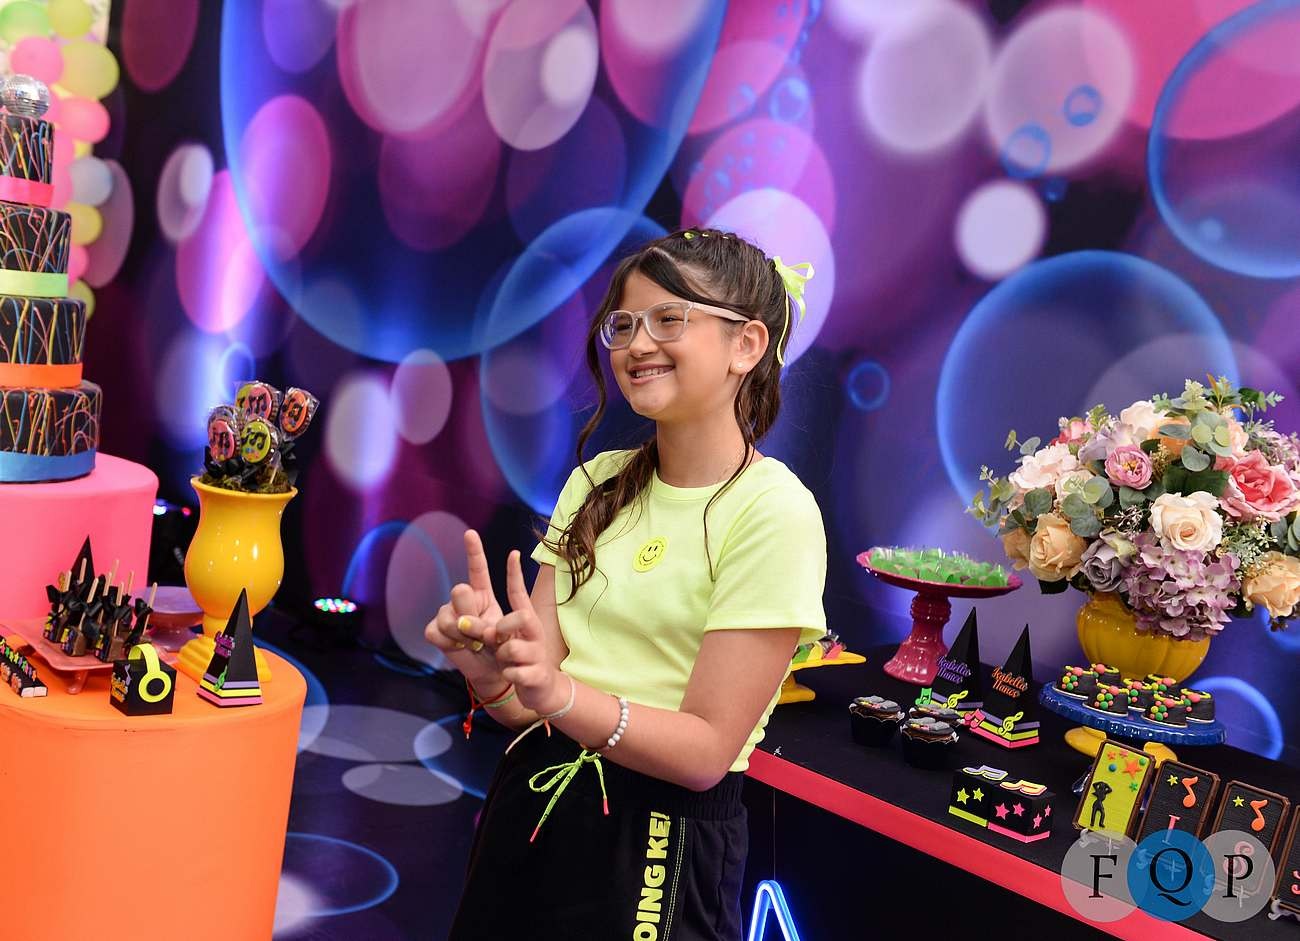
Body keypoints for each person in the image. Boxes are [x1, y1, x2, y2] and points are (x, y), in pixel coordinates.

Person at [426, 228, 828, 940]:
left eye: (669, 319)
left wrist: (561, 695)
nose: (637, 345)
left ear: (746, 345)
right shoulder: (598, 482)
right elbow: (526, 706)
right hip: (535, 803)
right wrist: (485, 666)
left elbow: (705, 752)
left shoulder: (774, 511)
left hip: (659, 841)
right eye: (623, 325)